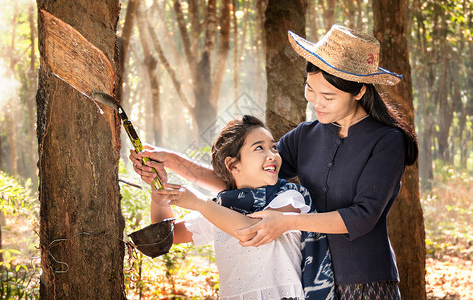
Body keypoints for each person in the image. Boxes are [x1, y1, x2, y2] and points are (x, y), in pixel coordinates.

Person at [130, 25, 418, 299]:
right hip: (306, 281)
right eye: (310, 90)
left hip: (363, 277)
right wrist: (174, 163)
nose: (316, 103)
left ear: (359, 91)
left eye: (328, 96)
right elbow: (247, 179)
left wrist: (286, 222)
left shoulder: (387, 141)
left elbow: (364, 216)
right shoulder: (306, 135)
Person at [149, 115, 333, 300]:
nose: (272, 155)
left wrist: (199, 203)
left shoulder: (289, 197)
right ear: (233, 165)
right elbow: (165, 237)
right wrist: (158, 189)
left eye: (273, 147)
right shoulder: (221, 207)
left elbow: (255, 231)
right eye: (259, 148)